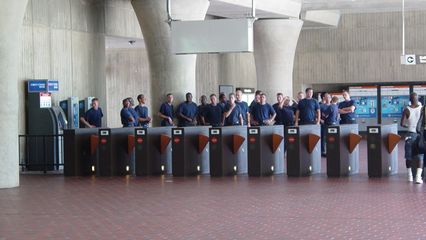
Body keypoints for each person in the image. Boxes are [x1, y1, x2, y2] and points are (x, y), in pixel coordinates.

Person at [402, 92, 423, 183]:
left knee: (408, 157)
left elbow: (402, 124)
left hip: (410, 135)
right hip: (420, 135)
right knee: (420, 157)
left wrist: (409, 126)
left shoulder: (406, 109)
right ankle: (418, 177)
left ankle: (410, 176)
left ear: (410, 100)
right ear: (417, 99)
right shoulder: (422, 109)